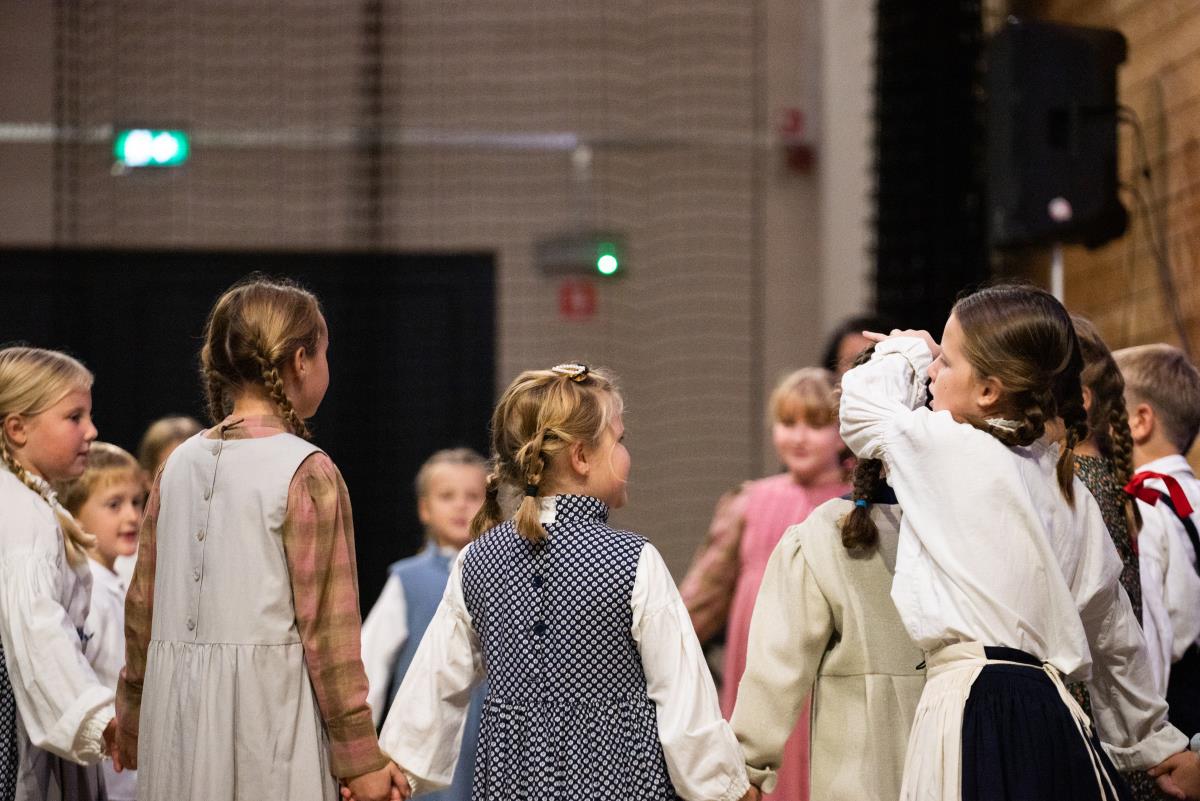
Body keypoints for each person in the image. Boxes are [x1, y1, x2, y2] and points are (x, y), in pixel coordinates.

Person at [839, 284, 1187, 801]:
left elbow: (861, 408)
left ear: (988, 391)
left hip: (978, 712)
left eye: (946, 362)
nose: (933, 371)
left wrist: (906, 350)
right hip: (1053, 719)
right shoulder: (1068, 488)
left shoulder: (948, 448)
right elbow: (1115, 638)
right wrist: (1153, 741)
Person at [364, 363, 753, 801]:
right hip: (618, 778)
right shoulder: (632, 559)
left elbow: (436, 681)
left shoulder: (477, 559)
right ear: (581, 457)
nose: (626, 453)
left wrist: (400, 768)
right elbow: (682, 695)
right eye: (620, 440)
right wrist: (725, 788)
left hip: (514, 782)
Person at [115, 277, 406, 801]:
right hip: (267, 722)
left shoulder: (176, 463)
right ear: (301, 360)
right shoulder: (307, 470)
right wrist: (360, 758)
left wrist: (132, 716)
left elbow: (141, 607)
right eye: (324, 353)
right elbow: (330, 632)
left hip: (174, 718)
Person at [731, 356, 926, 801]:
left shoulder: (822, 532)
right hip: (961, 751)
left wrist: (747, 767)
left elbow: (777, 666)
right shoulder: (969, 524)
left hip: (860, 764)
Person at [682, 368, 848, 800]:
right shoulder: (749, 501)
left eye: (816, 424)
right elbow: (705, 592)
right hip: (754, 666)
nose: (800, 437)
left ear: (841, 432)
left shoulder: (852, 506)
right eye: (788, 423)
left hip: (824, 663)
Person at [0, 346, 117, 801]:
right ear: (17, 428)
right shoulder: (20, 515)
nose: (91, 431)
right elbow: (38, 628)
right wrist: (100, 721)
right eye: (74, 417)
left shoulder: (28, 503)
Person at [1070, 317, 1164, 801]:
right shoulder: (1099, 475)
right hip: (1115, 713)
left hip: (1099, 722)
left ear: (1079, 398)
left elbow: (1092, 619)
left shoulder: (1077, 481)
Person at [360, 448, 488, 801]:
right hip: (429, 746)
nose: (461, 505)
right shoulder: (407, 580)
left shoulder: (505, 577)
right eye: (447, 496)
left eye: (473, 496)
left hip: (489, 741)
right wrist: (362, 754)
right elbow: (370, 665)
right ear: (424, 508)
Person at [1114, 344, 1200, 736]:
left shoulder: (1143, 506)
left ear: (1139, 421)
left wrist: (1146, 734)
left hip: (1173, 708)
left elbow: (1150, 626)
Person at [57, 442, 145, 801]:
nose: (132, 516)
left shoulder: (113, 583)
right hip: (106, 768)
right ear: (75, 517)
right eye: (114, 505)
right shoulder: (88, 593)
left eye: (136, 502)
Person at [115, 416, 202, 586]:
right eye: (174, 470)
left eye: (197, 469)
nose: (189, 480)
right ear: (148, 480)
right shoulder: (126, 559)